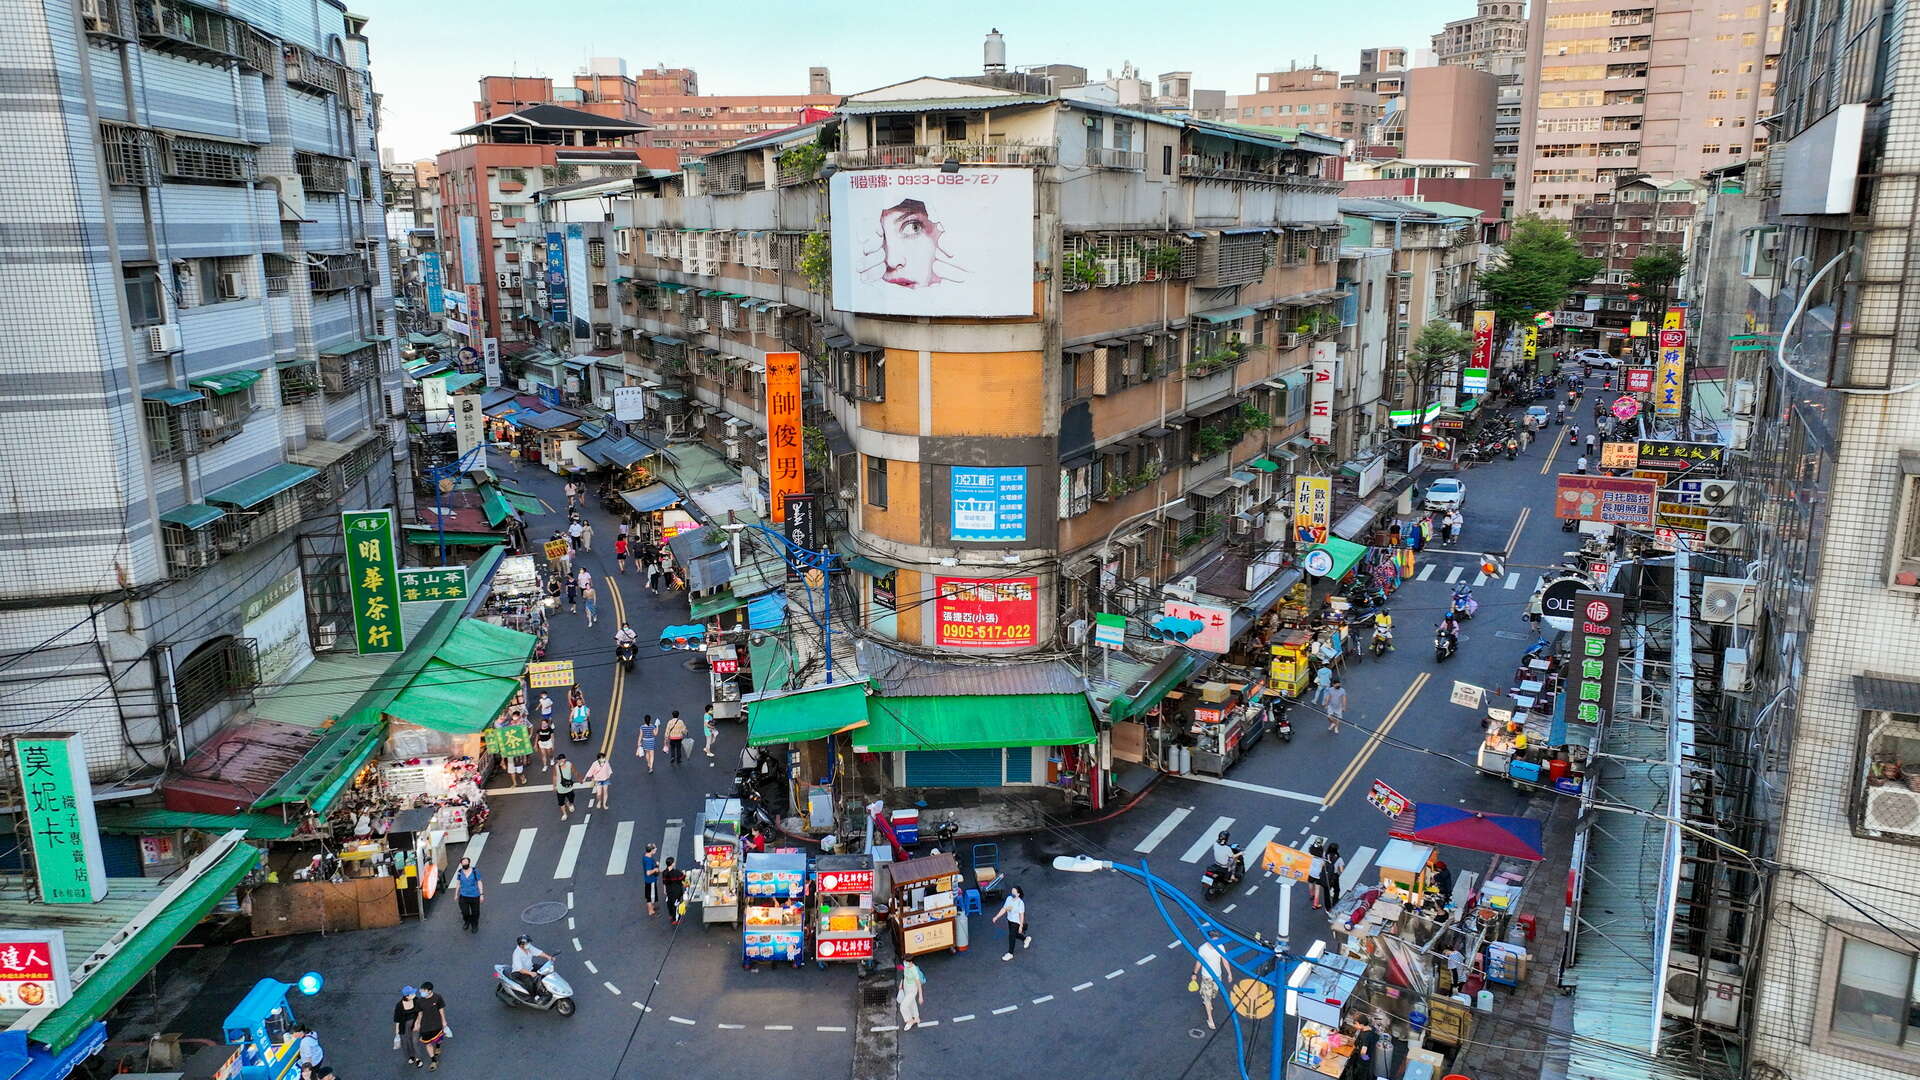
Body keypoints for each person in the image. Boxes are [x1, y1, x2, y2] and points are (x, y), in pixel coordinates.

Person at [1193, 930, 1231, 1030]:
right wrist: (1194, 973)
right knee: (1208, 998)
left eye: (1217, 941)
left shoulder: (1220, 946)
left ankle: (1207, 999)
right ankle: (1210, 1019)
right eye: (1214, 941)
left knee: (1214, 993)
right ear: (1208, 939)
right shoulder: (1202, 949)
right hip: (1207, 977)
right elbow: (1199, 962)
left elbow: (1224, 960)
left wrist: (1229, 973)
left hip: (1217, 976)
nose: (1215, 943)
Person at [412, 983, 448, 1071]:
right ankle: (434, 1061)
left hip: (437, 1024)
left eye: (424, 991)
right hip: (425, 1026)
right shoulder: (419, 1001)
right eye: (421, 990)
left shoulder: (437, 997)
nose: (421, 993)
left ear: (430, 991)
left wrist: (444, 1021)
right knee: (427, 1043)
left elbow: (441, 1009)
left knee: (438, 1038)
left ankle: (438, 1047)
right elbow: (419, 1013)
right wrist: (417, 1023)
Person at [992, 884, 1031, 960]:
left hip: (1016, 922)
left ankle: (1010, 953)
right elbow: (1004, 909)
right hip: (1010, 920)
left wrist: (1021, 926)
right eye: (1012, 891)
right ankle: (1026, 939)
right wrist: (996, 917)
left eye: (1014, 892)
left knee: (1011, 936)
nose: (1012, 893)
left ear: (1018, 894)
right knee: (1015, 934)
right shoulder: (1009, 898)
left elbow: (1021, 915)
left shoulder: (1020, 903)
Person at [510, 935, 553, 1002]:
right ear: (521, 945)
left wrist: (548, 957)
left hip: (530, 967)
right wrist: (530, 973)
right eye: (527, 943)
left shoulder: (528, 948)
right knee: (530, 982)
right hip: (519, 972)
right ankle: (533, 997)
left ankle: (547, 988)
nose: (529, 944)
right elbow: (520, 969)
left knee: (545, 970)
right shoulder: (517, 954)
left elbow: (538, 952)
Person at [393, 987, 424, 1069]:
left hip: (414, 1024)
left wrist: (418, 1023)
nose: (414, 994)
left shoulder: (416, 1000)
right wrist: (397, 1033)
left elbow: (420, 1012)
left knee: (415, 1041)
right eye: (412, 993)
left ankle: (418, 1058)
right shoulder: (399, 1005)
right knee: (407, 1042)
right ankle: (411, 1056)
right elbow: (397, 1020)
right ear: (407, 996)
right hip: (404, 1026)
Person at [454, 857, 483, 933]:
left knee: (475, 912)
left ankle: (475, 925)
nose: (465, 864)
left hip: (475, 896)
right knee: (465, 912)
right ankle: (467, 921)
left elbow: (479, 882)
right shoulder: (460, 872)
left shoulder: (475, 871)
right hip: (463, 896)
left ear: (469, 863)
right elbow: (458, 883)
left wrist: (481, 894)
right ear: (461, 864)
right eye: (463, 862)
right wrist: (456, 894)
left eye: (466, 862)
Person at [1344, 1016, 1378, 1080]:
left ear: (1362, 1024)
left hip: (1363, 1063)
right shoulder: (1369, 1029)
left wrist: (1364, 1060)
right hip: (1368, 1059)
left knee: (1360, 1076)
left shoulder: (1366, 1036)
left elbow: (1363, 1052)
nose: (1354, 1026)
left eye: (1356, 1024)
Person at [897, 958, 927, 1030]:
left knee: (903, 1007)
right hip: (906, 986)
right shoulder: (906, 966)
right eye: (904, 961)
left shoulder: (914, 971)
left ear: (911, 962)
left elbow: (918, 984)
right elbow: (904, 975)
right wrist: (901, 984)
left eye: (906, 962)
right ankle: (916, 1018)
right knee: (912, 1003)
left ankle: (910, 1021)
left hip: (912, 989)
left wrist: (920, 996)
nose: (904, 963)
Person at [662, 856, 687, 924]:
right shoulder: (676, 872)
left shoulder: (664, 872)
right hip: (676, 891)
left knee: (669, 903)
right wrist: (684, 874)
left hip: (669, 891)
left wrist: (664, 890)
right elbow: (683, 878)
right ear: (672, 863)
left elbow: (664, 882)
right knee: (676, 905)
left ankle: (670, 915)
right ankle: (675, 919)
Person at [1319, 842, 1346, 907]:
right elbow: (1342, 870)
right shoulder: (1339, 859)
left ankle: (1327, 908)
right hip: (1334, 877)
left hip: (1325, 876)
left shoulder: (1325, 855)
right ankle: (1335, 902)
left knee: (1326, 893)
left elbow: (1321, 865)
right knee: (1337, 890)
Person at [552, 754, 577, 820]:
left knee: (572, 798)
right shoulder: (556, 767)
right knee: (561, 802)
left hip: (569, 787)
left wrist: (579, 778)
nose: (558, 761)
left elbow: (574, 771)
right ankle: (564, 814)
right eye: (558, 760)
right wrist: (554, 786)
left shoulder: (569, 764)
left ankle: (570, 804)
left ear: (564, 760)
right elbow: (554, 776)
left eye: (560, 760)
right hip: (560, 789)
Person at [641, 843, 660, 916]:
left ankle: (651, 907)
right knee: (650, 896)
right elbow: (648, 872)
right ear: (651, 850)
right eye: (654, 849)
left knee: (650, 895)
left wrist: (656, 864)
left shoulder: (646, 856)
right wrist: (655, 869)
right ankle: (651, 910)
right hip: (650, 880)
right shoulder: (648, 860)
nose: (655, 850)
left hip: (649, 880)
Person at [1307, 840, 1327, 908]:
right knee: (1317, 889)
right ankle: (1315, 904)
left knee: (1310, 883)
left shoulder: (1311, 852)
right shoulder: (1322, 854)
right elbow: (1324, 864)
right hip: (1318, 873)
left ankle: (1311, 895)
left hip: (1311, 872)